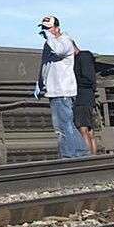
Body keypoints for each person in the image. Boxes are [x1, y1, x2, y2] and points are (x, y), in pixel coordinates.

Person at [37, 15, 87, 158]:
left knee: (62, 128)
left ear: (57, 28)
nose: (45, 31)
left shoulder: (64, 41)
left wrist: (50, 37)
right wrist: (40, 83)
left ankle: (68, 157)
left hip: (62, 91)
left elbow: (59, 51)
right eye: (43, 28)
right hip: (54, 90)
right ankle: (81, 152)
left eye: (48, 28)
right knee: (68, 125)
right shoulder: (49, 44)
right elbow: (46, 66)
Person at [73, 45, 99, 156]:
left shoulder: (82, 58)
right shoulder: (86, 58)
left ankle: (87, 158)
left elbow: (88, 78)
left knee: (83, 129)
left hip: (82, 97)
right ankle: (92, 156)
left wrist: (74, 83)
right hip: (88, 97)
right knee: (89, 130)